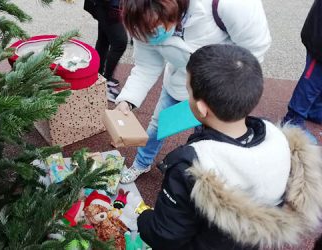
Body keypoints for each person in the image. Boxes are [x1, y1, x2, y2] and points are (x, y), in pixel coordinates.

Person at [135, 44, 322, 250]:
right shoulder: (277, 138)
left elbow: (165, 235)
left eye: (188, 91)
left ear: (201, 108)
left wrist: (144, 218)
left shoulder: (191, 164)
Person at [115, 0, 272, 183]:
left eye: (154, 26)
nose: (151, 34)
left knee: (210, 140)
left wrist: (225, 94)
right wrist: (128, 100)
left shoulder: (230, 5)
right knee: (159, 126)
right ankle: (142, 163)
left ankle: (204, 179)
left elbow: (254, 50)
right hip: (178, 82)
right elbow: (146, 65)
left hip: (218, 89)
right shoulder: (144, 21)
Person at [282, 0, 321, 144]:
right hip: (319, 41)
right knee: (312, 81)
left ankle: (315, 111)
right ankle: (293, 120)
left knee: (317, 82)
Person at [84, 0, 128, 102]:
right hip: (107, 5)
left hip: (106, 5)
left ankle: (97, 76)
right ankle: (105, 84)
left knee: (104, 39)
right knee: (120, 43)